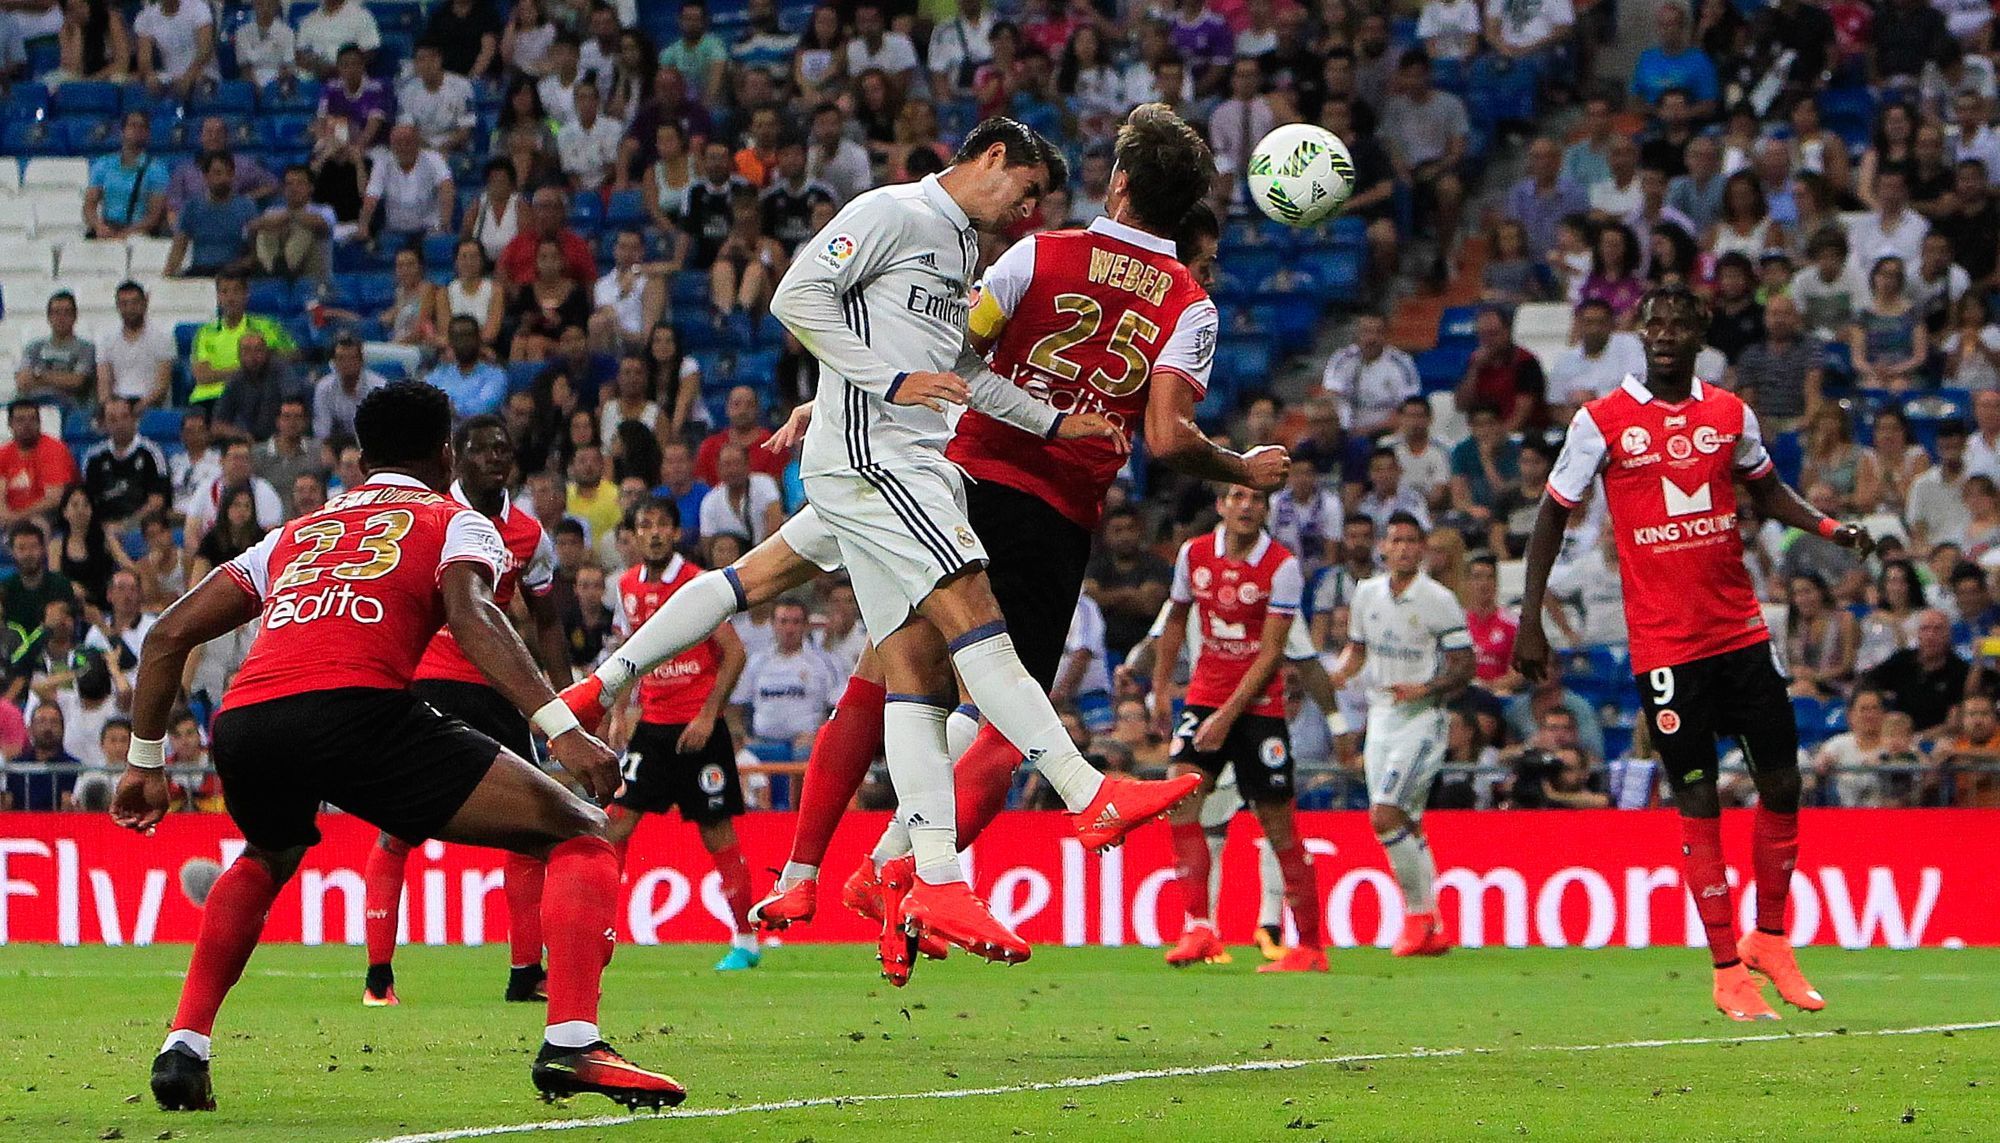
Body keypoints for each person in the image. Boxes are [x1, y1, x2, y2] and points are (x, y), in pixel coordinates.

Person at [564, 114, 1232, 977]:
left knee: (834, 628)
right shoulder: (908, 216)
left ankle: (797, 852)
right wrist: (885, 383)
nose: (1029, 210)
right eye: (1027, 190)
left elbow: (960, 359)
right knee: (975, 657)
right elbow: (813, 303)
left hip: (917, 457)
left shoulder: (996, 253)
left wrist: (1016, 416)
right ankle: (1019, 821)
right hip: (926, 476)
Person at [111, 382, 682, 1112]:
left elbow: (166, 635)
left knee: (269, 853)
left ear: (361, 460)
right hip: (358, 709)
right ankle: (572, 1039)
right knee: (582, 833)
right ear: (445, 456)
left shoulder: (295, 533)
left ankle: (185, 1046)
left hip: (248, 721)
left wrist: (145, 765)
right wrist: (562, 728)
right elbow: (473, 616)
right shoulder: (454, 519)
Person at [1515, 283, 1874, 1023]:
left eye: (1680, 323)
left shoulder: (1730, 413)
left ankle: (1769, 938)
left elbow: (1767, 492)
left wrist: (1831, 529)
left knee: (1783, 782)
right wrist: (1530, 620)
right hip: (1668, 648)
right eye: (1655, 323)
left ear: (1700, 333)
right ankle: (1725, 970)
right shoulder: (1601, 421)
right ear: (1641, 332)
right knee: (1699, 797)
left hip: (1740, 632)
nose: (1665, 333)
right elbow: (1552, 514)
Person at [360, 415, 566, 1006]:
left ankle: (525, 973)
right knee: (398, 827)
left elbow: (548, 622)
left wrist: (567, 703)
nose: (495, 457)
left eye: (503, 448)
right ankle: (378, 978)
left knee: (530, 830)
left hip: (498, 691)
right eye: (481, 449)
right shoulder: (426, 516)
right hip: (431, 682)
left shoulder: (529, 535)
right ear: (456, 457)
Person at [1152, 485, 1325, 972]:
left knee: (1278, 826)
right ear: (1221, 506)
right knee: (1181, 799)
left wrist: (1225, 718)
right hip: (1204, 698)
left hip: (1259, 710)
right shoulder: (1194, 554)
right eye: (1237, 496)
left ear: (1266, 510)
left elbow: (1271, 654)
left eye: (1256, 500)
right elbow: (1175, 619)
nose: (1247, 506)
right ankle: (1198, 928)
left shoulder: (1281, 566)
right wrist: (1161, 688)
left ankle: (1310, 947)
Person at [602, 498, 758, 969]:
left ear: (675, 533)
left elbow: (734, 653)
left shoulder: (697, 584)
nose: (653, 533)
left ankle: (746, 941)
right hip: (652, 729)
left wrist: (709, 715)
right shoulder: (626, 586)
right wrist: (620, 712)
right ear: (633, 535)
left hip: (697, 730)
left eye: (662, 525)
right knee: (615, 824)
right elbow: (629, 651)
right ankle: (599, 931)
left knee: (716, 831)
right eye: (644, 525)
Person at [1323, 511, 1475, 954]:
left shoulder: (1439, 600)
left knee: (1384, 815)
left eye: (1412, 540)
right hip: (1381, 717)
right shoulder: (1366, 593)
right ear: (1384, 548)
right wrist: (1339, 674)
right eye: (1397, 540)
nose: (1404, 548)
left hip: (1422, 719)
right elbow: (1358, 650)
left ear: (1422, 549)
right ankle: (1435, 928)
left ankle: (1417, 916)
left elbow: (1465, 665)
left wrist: (1425, 688)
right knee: (1406, 821)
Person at [189, 271, 297, 407]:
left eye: (236, 291)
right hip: (208, 399)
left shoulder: (267, 326)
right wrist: (248, 369)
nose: (230, 298)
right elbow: (202, 376)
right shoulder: (205, 332)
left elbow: (293, 355)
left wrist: (268, 358)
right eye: (224, 292)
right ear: (218, 297)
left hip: (251, 396)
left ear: (246, 295)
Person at [1321, 314, 1420, 439]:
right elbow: (1329, 396)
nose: (1372, 339)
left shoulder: (1402, 363)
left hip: (1386, 433)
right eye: (1366, 332)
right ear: (1357, 334)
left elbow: (1409, 408)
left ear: (1386, 335)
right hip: (1346, 434)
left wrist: (1368, 431)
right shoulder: (1342, 359)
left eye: (1378, 332)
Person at [82, 399, 170, 530]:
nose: (120, 424)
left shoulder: (151, 453)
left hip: (140, 527)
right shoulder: (93, 457)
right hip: (104, 527)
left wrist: (125, 526)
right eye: (113, 419)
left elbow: (156, 502)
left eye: (124, 417)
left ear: (134, 419)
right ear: (104, 424)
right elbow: (86, 501)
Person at [0, 399, 79, 526]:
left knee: (36, 525)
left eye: (32, 419)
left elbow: (54, 499)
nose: (27, 425)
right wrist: (5, 516)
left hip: (47, 515)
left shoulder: (53, 449)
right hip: (12, 516)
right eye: (20, 420)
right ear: (10, 424)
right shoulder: (3, 453)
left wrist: (17, 518)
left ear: (39, 422)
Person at [17, 291, 97, 409]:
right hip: (33, 407)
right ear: (48, 317)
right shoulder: (34, 347)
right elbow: (22, 381)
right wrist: (60, 379)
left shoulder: (86, 348)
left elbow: (76, 381)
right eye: (56, 312)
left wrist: (38, 376)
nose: (61, 318)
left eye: (67, 312)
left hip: (70, 408)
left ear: (75, 316)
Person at [425, 316, 509, 419]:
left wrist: (452, 409)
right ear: (450, 342)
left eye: (468, 335)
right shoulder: (441, 373)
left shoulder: (495, 375)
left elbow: (482, 409)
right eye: (457, 337)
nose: (463, 342)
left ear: (479, 338)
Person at [312, 333, 388, 445]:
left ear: (361, 361)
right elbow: (322, 431)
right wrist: (327, 448)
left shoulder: (379, 387)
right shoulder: (324, 387)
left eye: (352, 358)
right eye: (341, 358)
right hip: (337, 444)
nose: (346, 363)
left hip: (372, 442)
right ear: (333, 363)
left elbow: (383, 428)